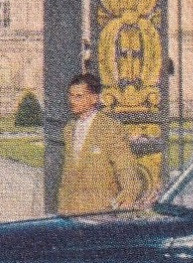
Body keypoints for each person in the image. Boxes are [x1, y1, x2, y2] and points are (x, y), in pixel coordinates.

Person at [56, 73, 144, 215]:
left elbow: (125, 167)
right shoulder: (69, 129)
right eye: (70, 95)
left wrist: (128, 196)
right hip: (69, 212)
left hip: (99, 213)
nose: (72, 101)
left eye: (79, 96)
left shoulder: (110, 128)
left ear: (94, 98)